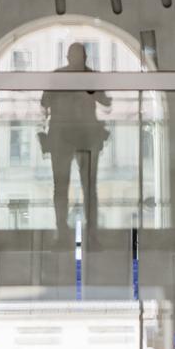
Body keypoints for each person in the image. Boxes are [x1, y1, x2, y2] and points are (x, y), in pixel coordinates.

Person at [40, 43, 111, 235]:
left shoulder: (59, 76)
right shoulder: (87, 76)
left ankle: (64, 230)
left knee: (65, 187)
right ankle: (85, 232)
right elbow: (106, 102)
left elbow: (44, 103)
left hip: (66, 136)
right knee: (85, 188)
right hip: (81, 136)